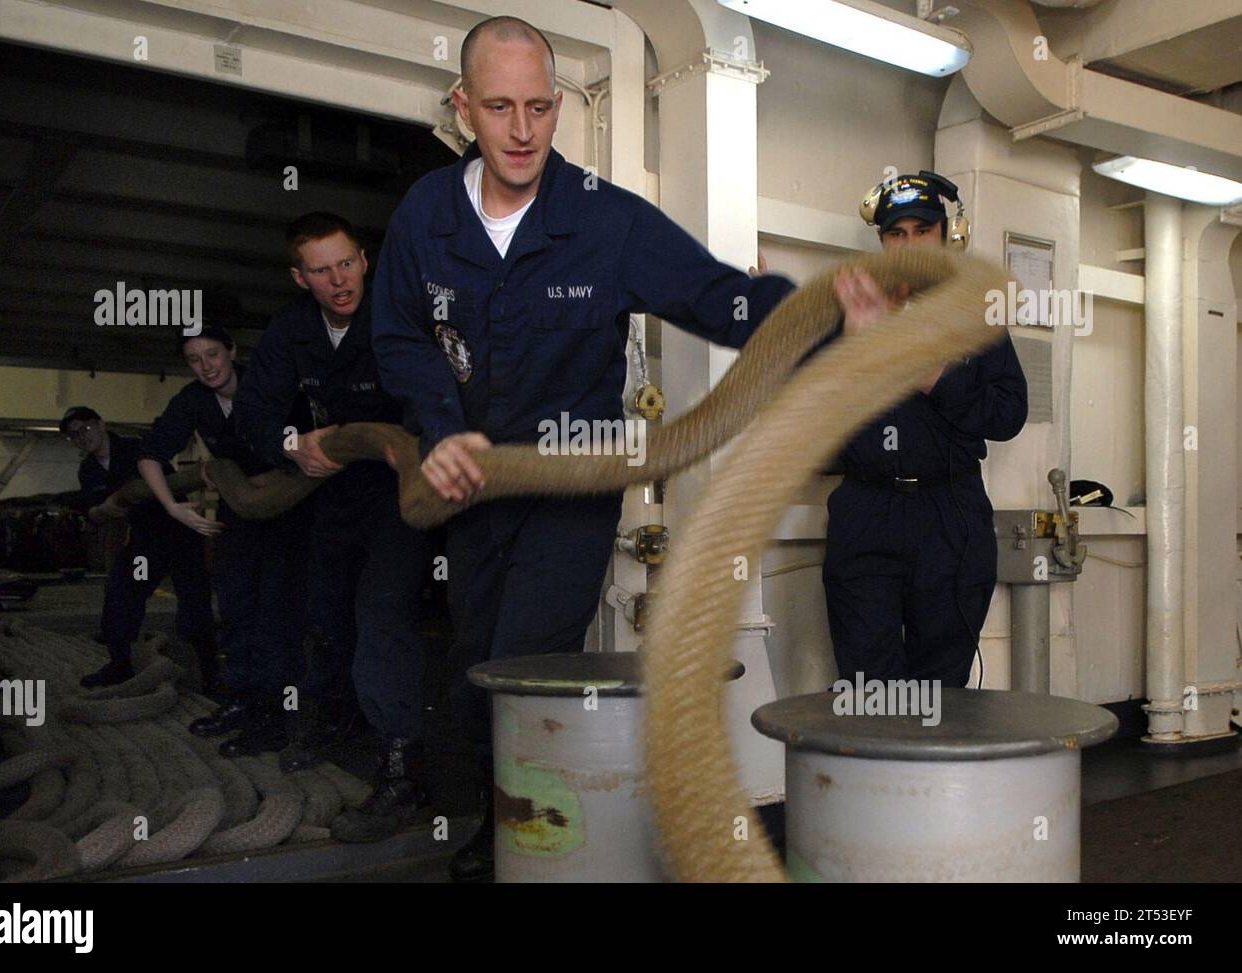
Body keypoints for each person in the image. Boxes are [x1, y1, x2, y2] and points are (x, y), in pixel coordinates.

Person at [366, 16, 799, 880]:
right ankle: (507, 823)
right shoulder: (425, 215)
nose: (522, 130)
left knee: (527, 663)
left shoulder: (605, 219)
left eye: (539, 107)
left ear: (558, 106)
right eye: (499, 108)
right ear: (463, 107)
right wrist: (441, 428)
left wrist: (803, 307)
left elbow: (716, 297)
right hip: (474, 492)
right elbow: (401, 336)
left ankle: (542, 841)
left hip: (573, 491)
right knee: (475, 667)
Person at [235, 213, 432, 815]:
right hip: (333, 491)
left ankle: (401, 765)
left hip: (400, 492)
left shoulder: (404, 314)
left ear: (365, 261)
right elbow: (252, 414)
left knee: (383, 615)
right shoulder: (291, 330)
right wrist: (291, 444)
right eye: (321, 271)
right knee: (324, 613)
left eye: (346, 263)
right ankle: (335, 721)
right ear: (301, 278)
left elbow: (445, 396)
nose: (339, 280)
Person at [822, 171, 1028, 687]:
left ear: (946, 236)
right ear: (882, 241)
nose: (909, 244)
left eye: (922, 230)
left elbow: (1009, 414)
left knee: (941, 688)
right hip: (867, 510)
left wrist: (931, 374)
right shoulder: (845, 314)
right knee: (868, 684)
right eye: (897, 233)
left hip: (949, 514)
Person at [136, 326, 312, 756]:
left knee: (276, 617)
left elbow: (314, 443)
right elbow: (150, 455)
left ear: (231, 351)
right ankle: (241, 702)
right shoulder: (193, 400)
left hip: (287, 510)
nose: (206, 366)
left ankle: (276, 717)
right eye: (194, 359)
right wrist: (173, 506)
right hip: (239, 512)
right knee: (235, 609)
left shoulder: (272, 386)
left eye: (212, 354)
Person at [61, 406, 215, 688]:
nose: (82, 437)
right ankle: (120, 664)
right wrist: (104, 508)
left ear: (100, 424)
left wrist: (126, 496)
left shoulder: (137, 449)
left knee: (194, 604)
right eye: (74, 435)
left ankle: (210, 672)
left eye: (85, 428)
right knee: (121, 593)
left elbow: (168, 485)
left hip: (180, 534)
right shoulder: (89, 470)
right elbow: (92, 512)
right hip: (146, 541)